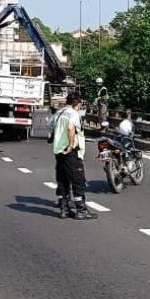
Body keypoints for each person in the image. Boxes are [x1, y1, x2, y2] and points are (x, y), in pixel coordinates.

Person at [51, 91, 96, 220]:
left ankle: (64, 210)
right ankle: (81, 210)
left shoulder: (59, 113)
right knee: (78, 180)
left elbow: (50, 126)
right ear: (77, 102)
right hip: (70, 151)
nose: (81, 105)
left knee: (63, 180)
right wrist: (71, 144)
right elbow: (71, 128)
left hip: (59, 151)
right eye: (81, 102)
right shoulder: (73, 114)